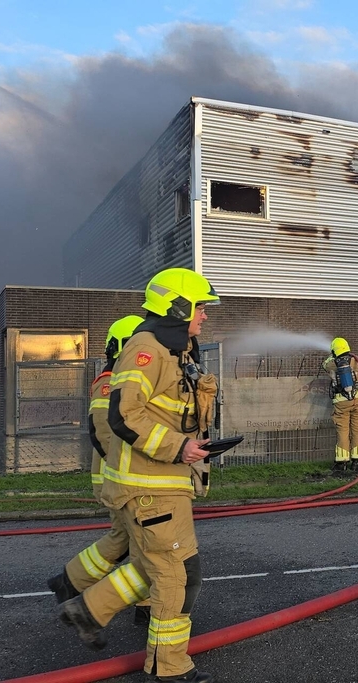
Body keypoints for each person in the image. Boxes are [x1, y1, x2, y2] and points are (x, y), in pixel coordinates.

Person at [58, 268, 220, 683]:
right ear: (178, 307)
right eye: (200, 307)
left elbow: (167, 413)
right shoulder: (146, 349)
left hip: (165, 484)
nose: (204, 315)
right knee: (174, 576)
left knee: (163, 568)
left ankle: (87, 609)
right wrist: (179, 447)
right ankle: (168, 669)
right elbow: (124, 416)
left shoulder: (172, 350)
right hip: (149, 487)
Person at [46, 314, 150, 624]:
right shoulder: (109, 383)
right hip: (118, 478)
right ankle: (133, 605)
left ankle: (69, 582)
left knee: (125, 539)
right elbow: (104, 433)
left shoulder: (124, 379)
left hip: (119, 477)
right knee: (141, 542)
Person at [323, 337, 358, 473]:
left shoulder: (332, 363)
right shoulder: (356, 360)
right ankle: (357, 462)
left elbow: (324, 365)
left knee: (343, 430)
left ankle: (341, 462)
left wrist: (332, 356)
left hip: (342, 401)